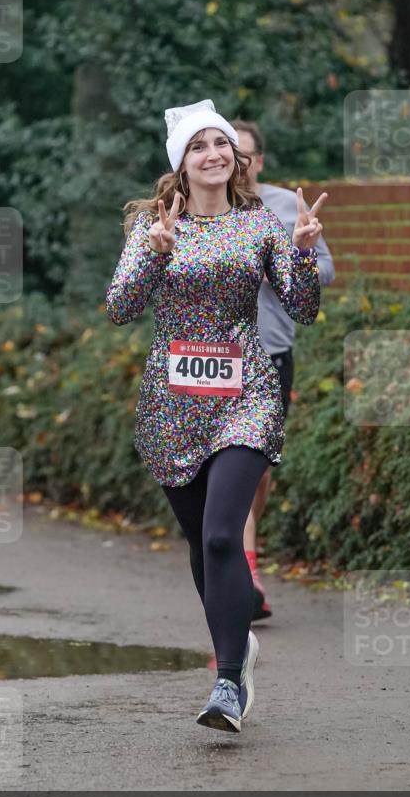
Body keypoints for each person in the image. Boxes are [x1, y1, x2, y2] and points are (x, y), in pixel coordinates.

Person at [106, 100, 325, 733]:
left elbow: (303, 310)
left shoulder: (259, 225)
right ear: (182, 161)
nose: (213, 153)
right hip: (172, 407)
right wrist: (152, 251)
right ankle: (238, 644)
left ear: (235, 157)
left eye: (221, 143)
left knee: (225, 534)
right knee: (202, 546)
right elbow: (120, 307)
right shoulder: (154, 224)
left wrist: (304, 252)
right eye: (199, 146)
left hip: (246, 395)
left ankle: (228, 683)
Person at [233, 120, 336, 619]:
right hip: (213, 362)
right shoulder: (202, 205)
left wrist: (295, 250)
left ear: (261, 159)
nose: (238, 163)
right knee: (226, 466)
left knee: (257, 473)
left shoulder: (281, 205)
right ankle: (245, 572)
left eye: (246, 155)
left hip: (270, 356)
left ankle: (239, 561)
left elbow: (327, 271)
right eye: (230, 153)